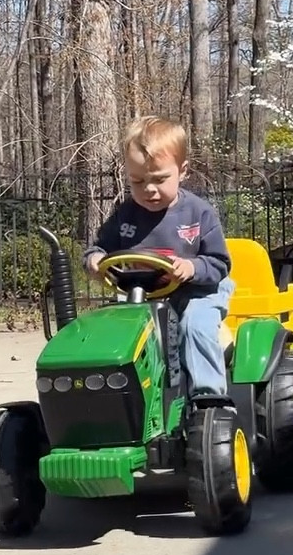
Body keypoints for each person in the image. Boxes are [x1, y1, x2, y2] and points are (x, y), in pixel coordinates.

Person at [83, 115, 235, 398]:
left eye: (160, 179)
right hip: (143, 294)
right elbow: (100, 248)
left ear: (183, 170)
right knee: (115, 331)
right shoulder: (125, 214)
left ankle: (209, 399)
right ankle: (124, 400)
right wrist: (94, 259)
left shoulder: (198, 213)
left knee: (195, 326)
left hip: (198, 292)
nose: (149, 189)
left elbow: (219, 263)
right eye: (138, 181)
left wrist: (191, 267)